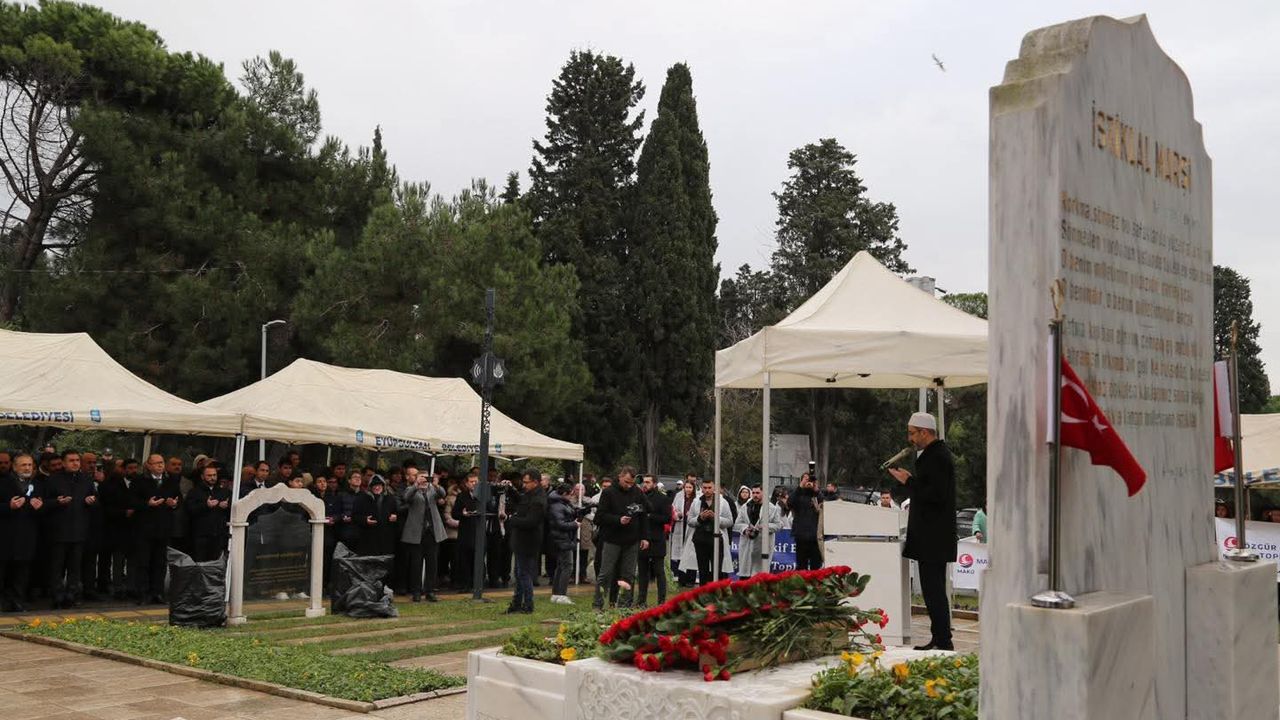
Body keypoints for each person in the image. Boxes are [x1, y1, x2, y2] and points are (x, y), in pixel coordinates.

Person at [888, 411, 957, 651]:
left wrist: (908, 481)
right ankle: (939, 636)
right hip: (932, 535)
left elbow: (935, 495)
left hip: (933, 536)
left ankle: (943, 640)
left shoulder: (937, 457)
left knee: (934, 590)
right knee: (933, 589)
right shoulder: (934, 455)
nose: (910, 438)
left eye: (912, 433)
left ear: (924, 432)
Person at [45, 449, 97, 608]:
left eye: (77, 460)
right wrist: (57, 502)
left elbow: (95, 501)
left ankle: (72, 595)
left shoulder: (86, 479)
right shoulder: (53, 480)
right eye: (71, 460)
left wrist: (91, 501)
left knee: (75, 567)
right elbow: (44, 503)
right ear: (64, 462)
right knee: (57, 567)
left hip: (79, 531)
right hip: (59, 531)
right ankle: (57, 595)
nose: (75, 463)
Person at [592, 467, 649, 609]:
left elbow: (644, 514)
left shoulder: (637, 492)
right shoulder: (608, 492)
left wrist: (644, 537)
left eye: (631, 483)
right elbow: (599, 517)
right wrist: (618, 519)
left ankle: (624, 606)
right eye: (626, 482)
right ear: (620, 477)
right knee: (605, 574)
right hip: (612, 539)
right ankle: (598, 605)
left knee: (628, 575)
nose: (628, 485)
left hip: (632, 540)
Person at [131, 454, 180, 604]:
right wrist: (147, 504)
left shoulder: (171, 480)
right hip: (145, 527)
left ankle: (157, 592)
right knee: (143, 562)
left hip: (163, 527)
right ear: (149, 465)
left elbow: (179, 499)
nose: (160, 466)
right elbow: (131, 500)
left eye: (162, 462)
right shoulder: (139, 481)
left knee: (160, 562)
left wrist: (174, 503)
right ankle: (143, 593)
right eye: (156, 463)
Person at [1, 454, 42, 611]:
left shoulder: (35, 484)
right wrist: (8, 507)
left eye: (30, 465)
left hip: (27, 536)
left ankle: (18, 600)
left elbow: (43, 507)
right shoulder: (4, 483)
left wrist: (40, 506)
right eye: (23, 465)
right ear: (14, 467)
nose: (27, 468)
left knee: (22, 571)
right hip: (6, 536)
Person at [400, 466, 446, 602]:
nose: (425, 480)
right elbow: (406, 498)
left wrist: (436, 485)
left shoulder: (433, 489)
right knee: (416, 564)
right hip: (416, 533)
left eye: (427, 478)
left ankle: (430, 591)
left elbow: (443, 494)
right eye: (423, 478)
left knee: (432, 563)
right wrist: (416, 485)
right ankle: (416, 591)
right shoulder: (411, 489)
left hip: (432, 532)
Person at [505, 470, 547, 614]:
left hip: (528, 541)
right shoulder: (530, 495)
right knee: (519, 573)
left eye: (526, 482)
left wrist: (512, 520)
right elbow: (521, 500)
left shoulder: (539, 500)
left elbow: (532, 521)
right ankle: (517, 603)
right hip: (521, 540)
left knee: (524, 574)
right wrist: (511, 490)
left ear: (535, 482)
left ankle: (528, 604)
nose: (524, 484)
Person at [680, 479, 734, 585]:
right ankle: (703, 595)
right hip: (701, 539)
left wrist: (716, 518)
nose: (707, 490)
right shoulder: (696, 502)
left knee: (717, 570)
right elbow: (690, 521)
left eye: (710, 488)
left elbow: (730, 521)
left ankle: (716, 594)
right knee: (702, 569)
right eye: (705, 488)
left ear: (714, 487)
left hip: (717, 539)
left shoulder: (723, 502)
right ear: (701, 488)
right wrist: (700, 518)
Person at [637, 474, 673, 606]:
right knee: (642, 572)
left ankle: (662, 601)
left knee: (659, 572)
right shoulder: (639, 497)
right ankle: (641, 600)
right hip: (641, 539)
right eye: (644, 482)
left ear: (654, 483)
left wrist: (650, 516)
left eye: (648, 482)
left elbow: (667, 518)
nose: (645, 484)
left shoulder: (663, 499)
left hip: (657, 539)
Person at [99, 461, 133, 599]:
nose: (123, 469)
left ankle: (121, 586)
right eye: (120, 466)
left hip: (124, 528)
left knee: (121, 558)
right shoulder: (107, 485)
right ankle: (108, 585)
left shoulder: (126, 483)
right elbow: (106, 507)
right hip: (109, 527)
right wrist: (123, 513)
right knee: (108, 559)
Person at [185, 464, 231, 562]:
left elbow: (231, 512)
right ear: (202, 477)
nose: (212, 478)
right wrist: (206, 505)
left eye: (214, 475)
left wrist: (226, 506)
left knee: (216, 565)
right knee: (201, 564)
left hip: (218, 535)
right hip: (200, 536)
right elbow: (190, 510)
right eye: (209, 476)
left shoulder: (224, 492)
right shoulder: (194, 492)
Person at [545, 482, 580, 605]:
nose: (571, 496)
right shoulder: (557, 505)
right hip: (562, 539)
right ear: (564, 494)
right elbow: (560, 524)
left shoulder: (559, 503)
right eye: (570, 494)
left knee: (560, 567)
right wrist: (575, 524)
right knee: (567, 566)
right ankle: (562, 594)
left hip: (562, 538)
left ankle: (556, 594)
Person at [735, 486, 782, 577]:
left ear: (763, 493)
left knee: (760, 576)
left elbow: (778, 525)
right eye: (753, 493)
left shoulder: (772, 508)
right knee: (745, 576)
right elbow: (737, 524)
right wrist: (745, 529)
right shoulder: (746, 507)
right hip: (747, 545)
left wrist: (765, 527)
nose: (755, 495)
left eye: (757, 493)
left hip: (762, 545)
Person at [355, 477, 399, 557]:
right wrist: (365, 520)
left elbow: (397, 513)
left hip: (386, 539)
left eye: (379, 485)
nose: (377, 487)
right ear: (370, 487)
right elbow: (355, 516)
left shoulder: (390, 498)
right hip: (368, 538)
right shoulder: (362, 499)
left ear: (383, 486)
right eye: (374, 485)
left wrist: (395, 517)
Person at [451, 472, 481, 589]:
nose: (474, 484)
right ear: (466, 483)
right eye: (471, 482)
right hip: (466, 533)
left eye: (476, 482)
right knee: (464, 559)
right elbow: (455, 514)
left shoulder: (483, 496)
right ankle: (465, 584)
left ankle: (477, 583)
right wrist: (463, 514)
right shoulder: (461, 496)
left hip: (478, 532)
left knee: (477, 559)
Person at [789, 473, 823, 571]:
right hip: (801, 536)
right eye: (806, 479)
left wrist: (816, 490)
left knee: (816, 567)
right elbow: (790, 503)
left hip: (816, 537)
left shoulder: (818, 494)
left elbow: (824, 505)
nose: (809, 482)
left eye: (810, 480)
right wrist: (800, 486)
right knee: (801, 567)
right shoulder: (798, 494)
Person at [669, 477, 698, 587]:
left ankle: (691, 579)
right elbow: (673, 509)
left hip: (692, 528)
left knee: (691, 554)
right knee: (681, 555)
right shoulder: (678, 497)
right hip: (681, 526)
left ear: (693, 488)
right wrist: (678, 515)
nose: (688, 489)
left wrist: (691, 515)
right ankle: (682, 578)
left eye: (690, 487)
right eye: (686, 487)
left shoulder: (697, 498)